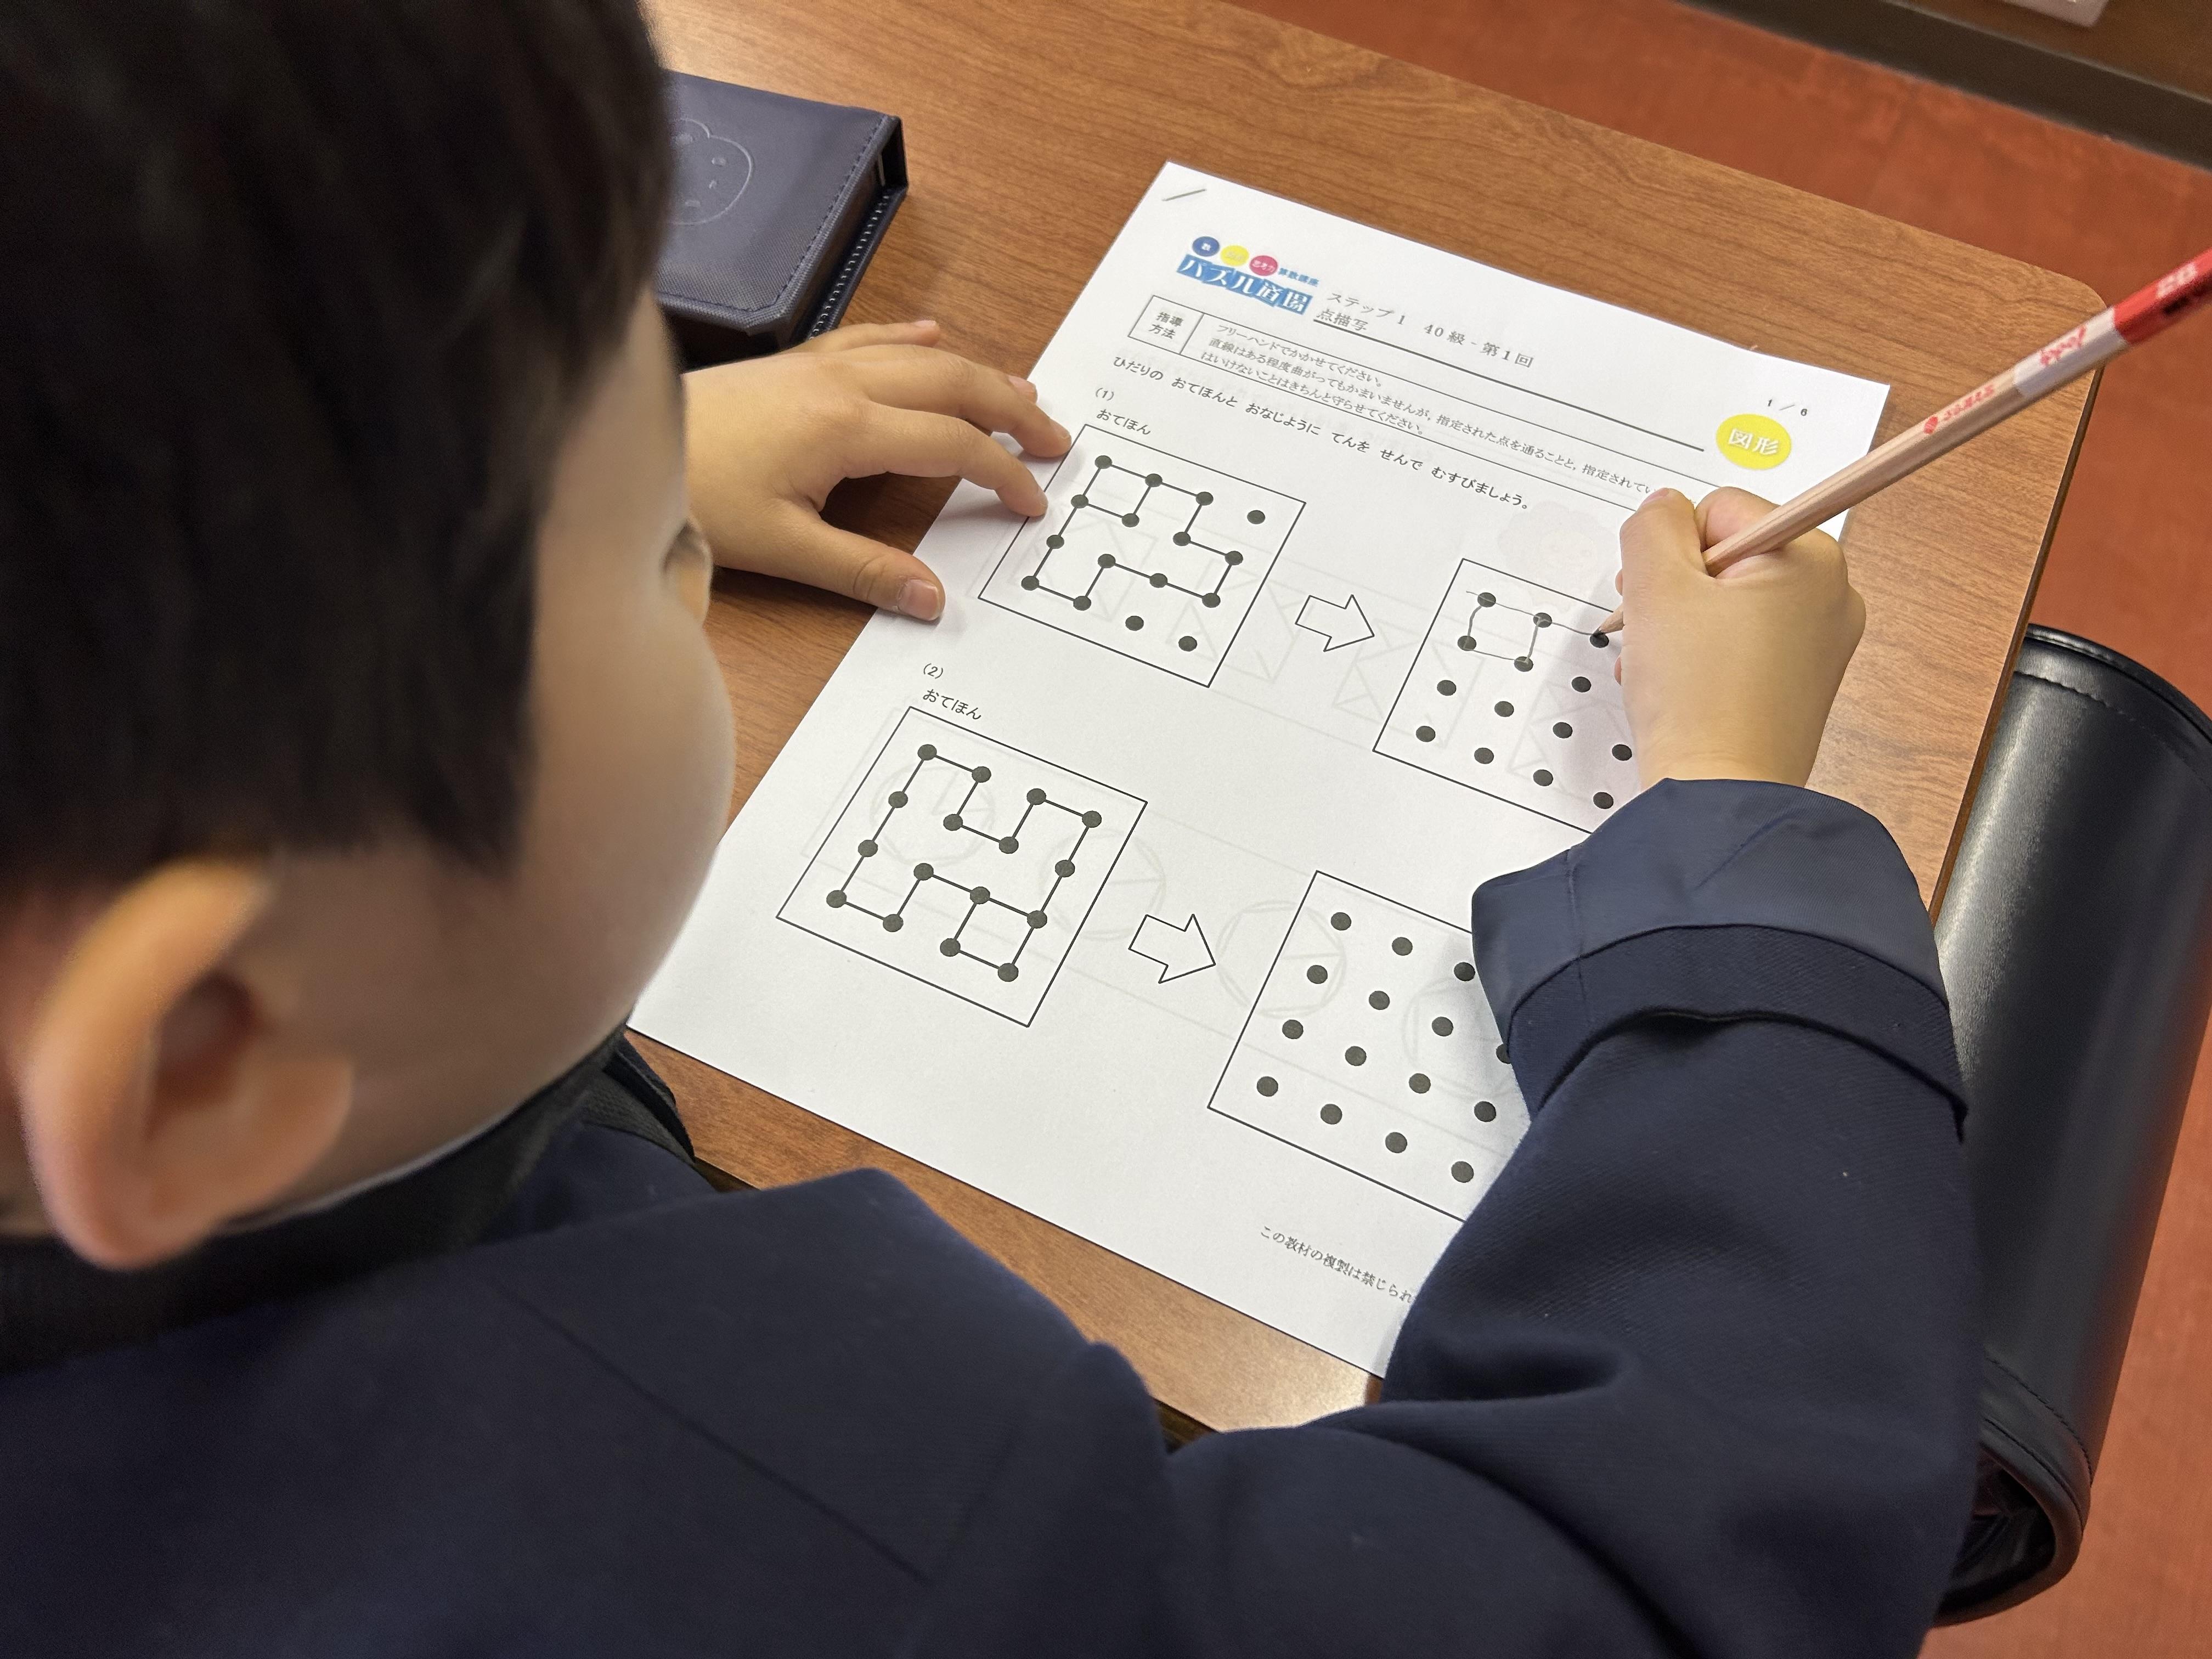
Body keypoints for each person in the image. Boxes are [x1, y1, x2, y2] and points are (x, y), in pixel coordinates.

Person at [0, 2, 1978, 1655]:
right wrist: (1730, 832)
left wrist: (580, 481)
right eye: (653, 545)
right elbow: (1647, 1580)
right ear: (202, 1052)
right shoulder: (817, 1521)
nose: (684, 541)